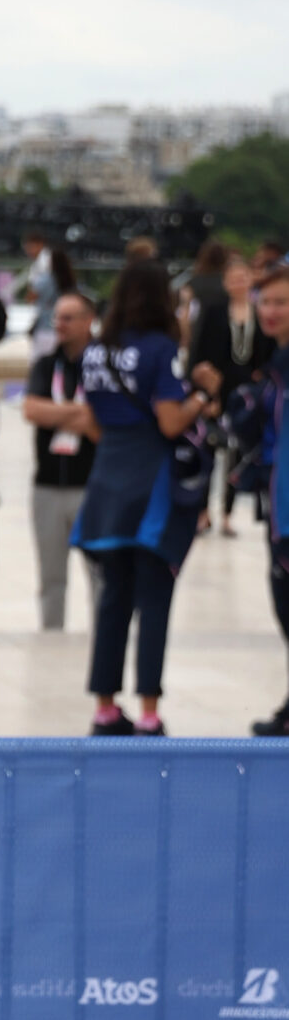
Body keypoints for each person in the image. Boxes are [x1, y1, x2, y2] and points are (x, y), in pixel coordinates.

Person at [71, 259, 217, 736]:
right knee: (155, 597)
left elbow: (90, 422)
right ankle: (150, 711)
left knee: (113, 598)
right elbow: (172, 421)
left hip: (107, 481)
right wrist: (201, 394)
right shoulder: (158, 349)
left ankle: (105, 707)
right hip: (150, 486)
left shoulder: (96, 350)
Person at [225, 265, 289, 734]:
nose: (270, 311)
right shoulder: (275, 361)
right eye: (265, 301)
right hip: (279, 501)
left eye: (281, 302)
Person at [22, 290, 99, 626]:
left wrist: (58, 413)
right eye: (57, 318)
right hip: (48, 485)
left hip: (92, 486)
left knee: (100, 574)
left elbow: (101, 425)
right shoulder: (46, 364)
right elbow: (32, 409)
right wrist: (78, 412)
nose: (60, 324)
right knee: (51, 576)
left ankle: (104, 641)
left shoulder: (102, 363)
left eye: (68, 318)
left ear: (88, 321)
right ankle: (51, 639)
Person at [191, 252, 263, 535]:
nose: (239, 283)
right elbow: (201, 352)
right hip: (217, 387)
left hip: (247, 390)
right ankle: (203, 510)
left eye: (243, 278)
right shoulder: (214, 311)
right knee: (209, 448)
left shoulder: (258, 312)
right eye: (234, 279)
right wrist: (205, 392)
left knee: (237, 452)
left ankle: (228, 513)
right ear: (225, 282)